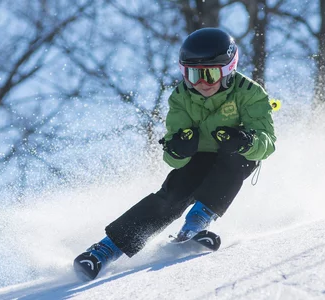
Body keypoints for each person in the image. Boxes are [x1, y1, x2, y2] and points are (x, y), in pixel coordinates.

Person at [73, 27, 276, 280]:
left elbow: (267, 143)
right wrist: (178, 149)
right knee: (174, 193)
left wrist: (246, 141)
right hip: (199, 156)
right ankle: (104, 250)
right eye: (192, 75)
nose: (201, 83)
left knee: (238, 159)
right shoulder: (181, 97)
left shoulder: (250, 93)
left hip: (234, 154)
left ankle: (195, 224)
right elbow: (172, 155)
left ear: (228, 70)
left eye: (210, 74)